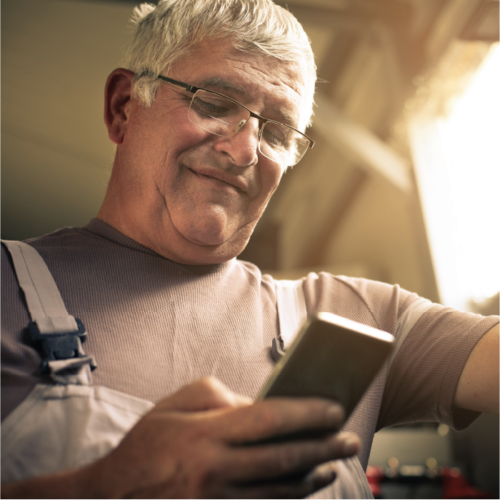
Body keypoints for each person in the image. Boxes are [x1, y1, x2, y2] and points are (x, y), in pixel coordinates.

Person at [1, 0, 498, 498]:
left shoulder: (360, 319)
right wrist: (106, 486)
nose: (245, 151)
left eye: (277, 131)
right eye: (214, 102)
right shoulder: (8, 287)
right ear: (123, 107)